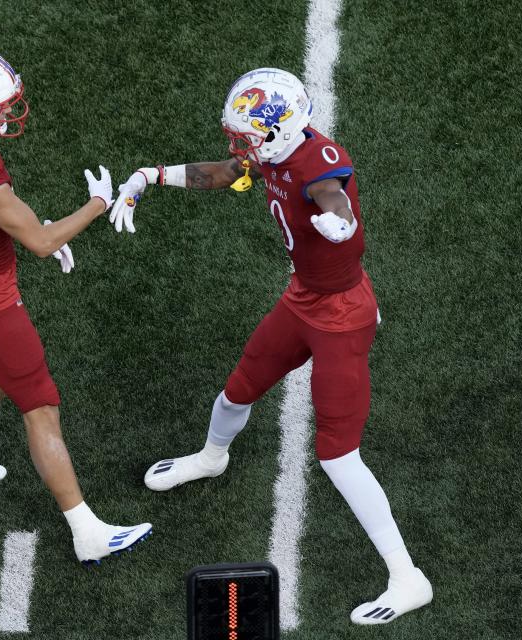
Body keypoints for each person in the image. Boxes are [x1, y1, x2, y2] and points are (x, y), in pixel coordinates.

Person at [111, 68, 432, 623]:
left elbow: (332, 194)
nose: (243, 147)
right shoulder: (273, 152)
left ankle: (408, 578)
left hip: (341, 317)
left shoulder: (319, 161)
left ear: (280, 128)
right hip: (303, 298)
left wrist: (343, 222)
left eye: (250, 135)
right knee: (238, 390)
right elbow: (224, 173)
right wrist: (149, 175)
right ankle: (212, 458)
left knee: (337, 453)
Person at [0, 48, 151, 564]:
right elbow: (40, 243)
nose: (3, 115)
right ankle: (86, 531)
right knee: (40, 407)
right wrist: (95, 204)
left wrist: (32, 223)